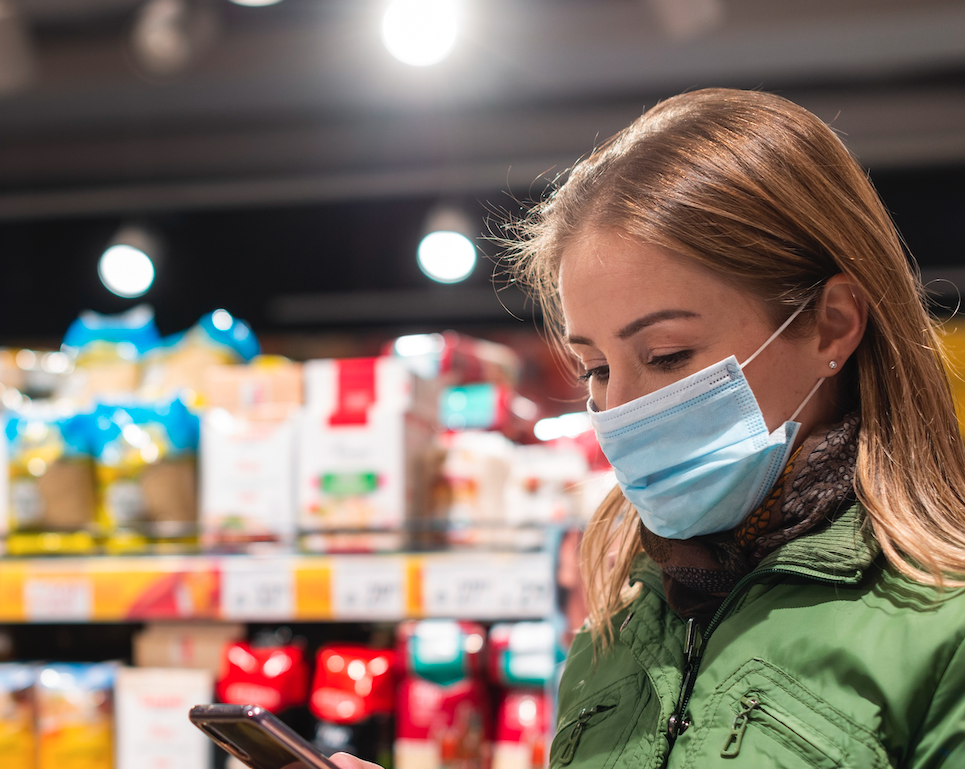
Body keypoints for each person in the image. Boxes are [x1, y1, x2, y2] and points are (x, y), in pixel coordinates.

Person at [333, 87, 965, 768]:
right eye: (594, 368)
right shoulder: (618, 623)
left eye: (666, 356)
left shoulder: (943, 630)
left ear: (830, 324)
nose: (622, 408)